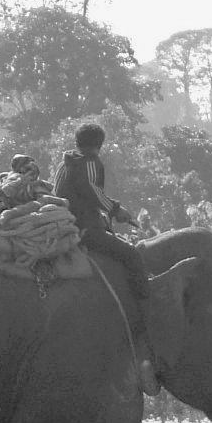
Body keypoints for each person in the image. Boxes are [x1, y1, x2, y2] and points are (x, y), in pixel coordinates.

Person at [55, 121, 150, 303]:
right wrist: (116, 209)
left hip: (66, 225)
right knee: (132, 255)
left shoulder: (64, 165)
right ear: (99, 145)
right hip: (85, 229)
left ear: (77, 142)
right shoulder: (89, 161)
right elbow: (92, 191)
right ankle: (145, 303)